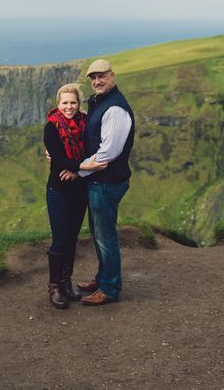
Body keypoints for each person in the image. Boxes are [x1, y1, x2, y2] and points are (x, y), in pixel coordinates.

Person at [76, 58, 134, 306]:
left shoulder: (115, 109)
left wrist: (78, 169)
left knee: (105, 235)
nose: (97, 81)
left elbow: (109, 153)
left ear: (112, 75)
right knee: (99, 233)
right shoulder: (100, 102)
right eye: (93, 78)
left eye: (102, 76)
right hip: (99, 182)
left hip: (107, 183)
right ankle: (103, 278)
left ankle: (110, 288)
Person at [42, 83, 105, 309]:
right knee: (60, 239)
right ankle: (54, 287)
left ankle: (66, 282)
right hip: (58, 191)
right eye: (65, 103)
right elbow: (57, 158)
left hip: (79, 190)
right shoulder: (51, 127)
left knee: (72, 239)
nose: (69, 107)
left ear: (79, 104)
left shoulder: (86, 124)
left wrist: (77, 170)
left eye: (73, 102)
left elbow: (93, 149)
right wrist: (82, 167)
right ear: (58, 104)